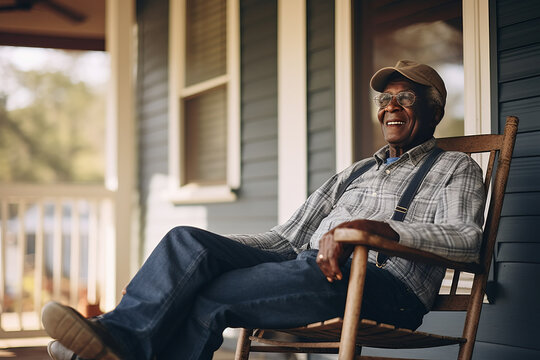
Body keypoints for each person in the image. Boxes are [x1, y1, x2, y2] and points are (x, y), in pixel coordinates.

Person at [42, 60, 486, 360]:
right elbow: (285, 239)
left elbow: (468, 242)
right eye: (384, 100)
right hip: (305, 265)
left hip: (386, 289)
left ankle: (115, 340)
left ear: (434, 107)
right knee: (185, 242)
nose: (391, 106)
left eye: (406, 97)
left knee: (215, 294)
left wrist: (374, 229)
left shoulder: (455, 167)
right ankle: (121, 332)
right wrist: (173, 271)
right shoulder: (354, 173)